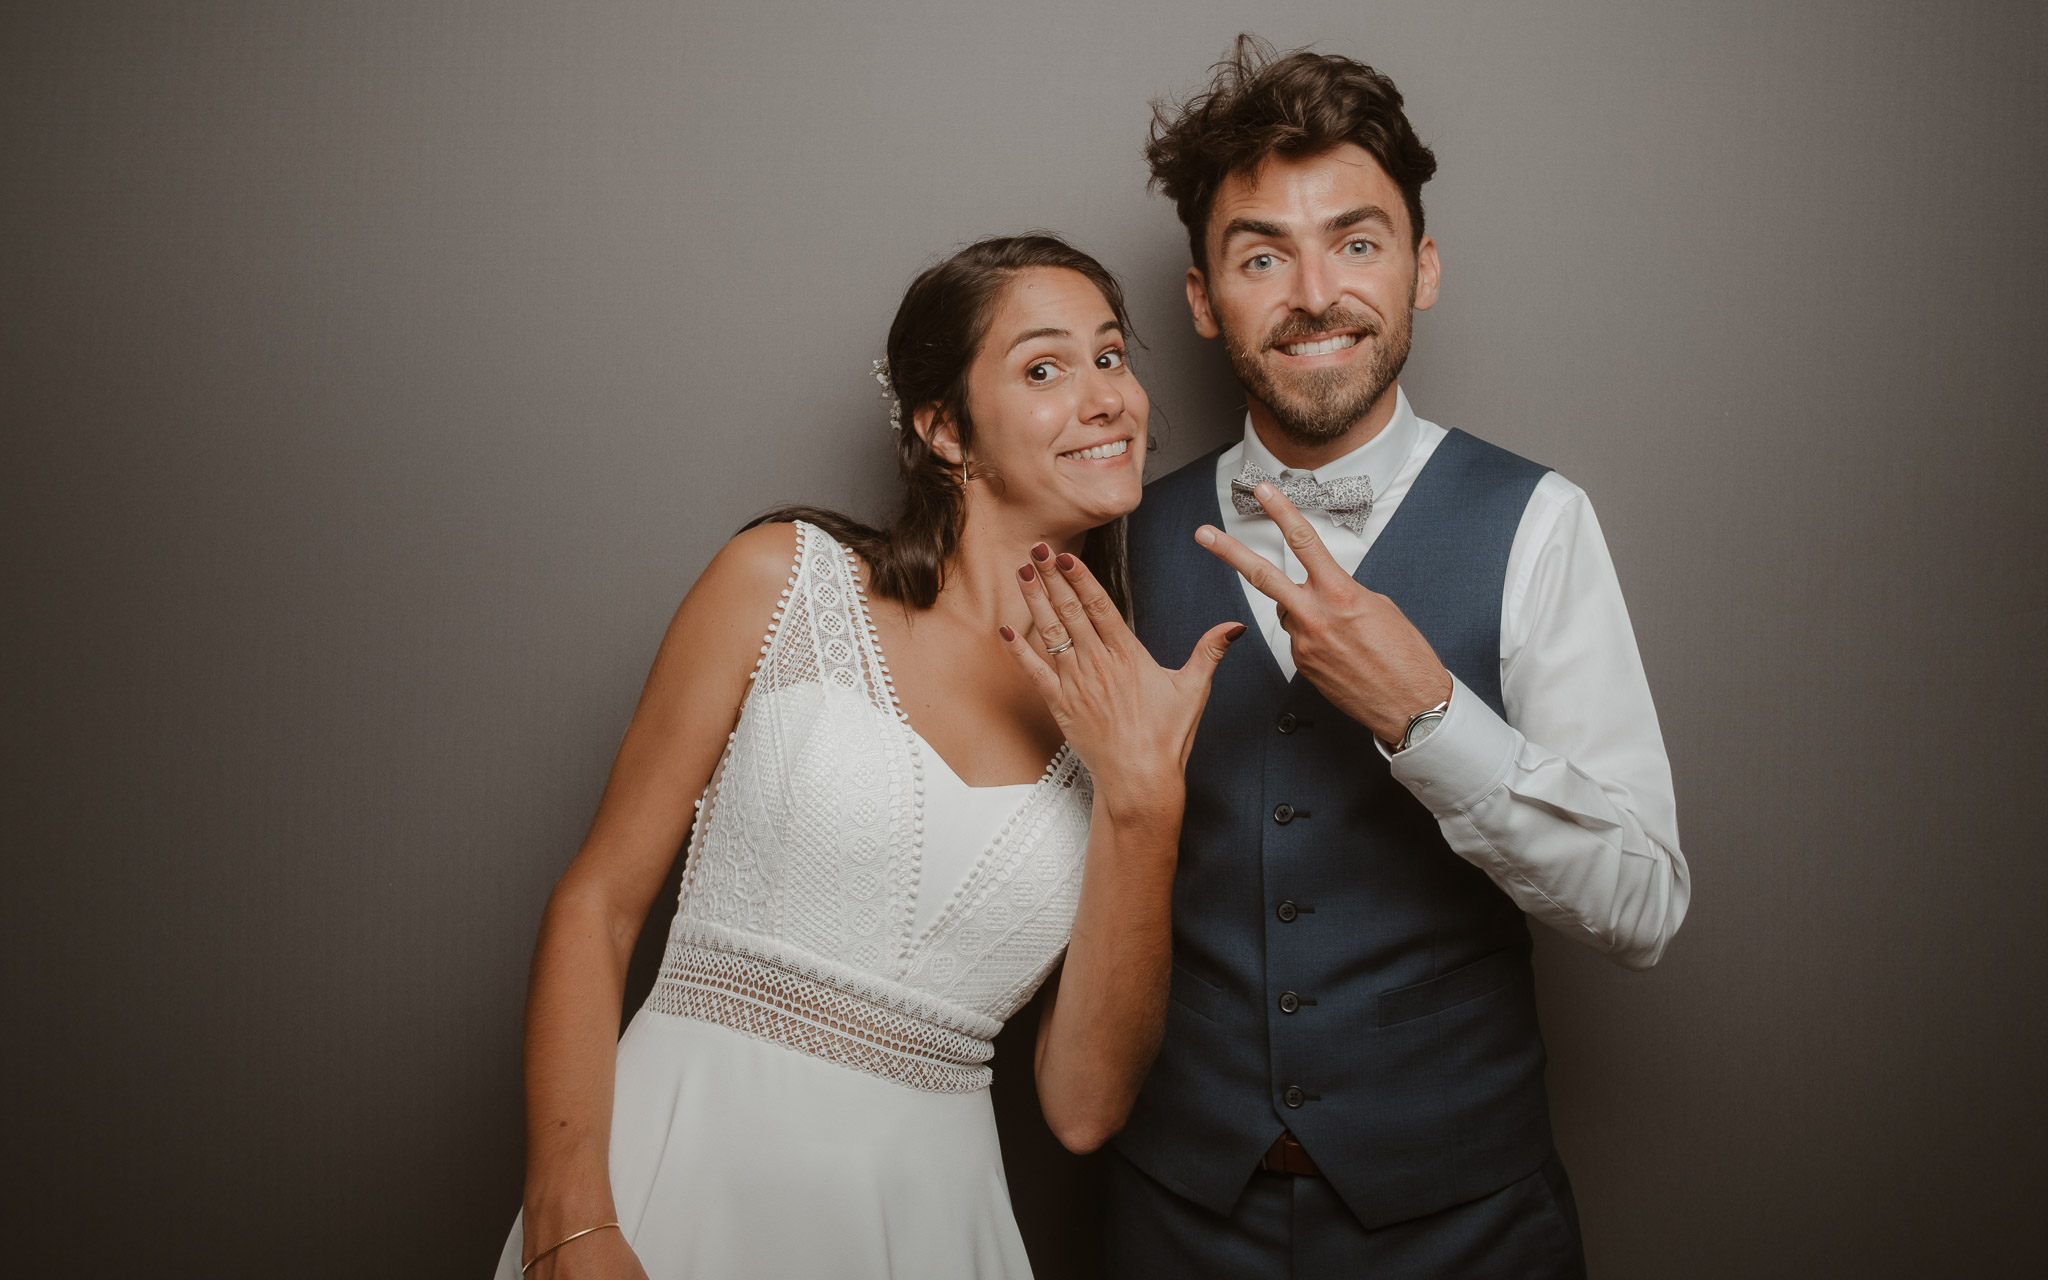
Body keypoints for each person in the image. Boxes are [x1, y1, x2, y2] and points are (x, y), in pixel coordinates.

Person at [492, 233, 1242, 1279]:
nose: (1106, 394)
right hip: (674, 1170)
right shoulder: (779, 582)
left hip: (924, 1226)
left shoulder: (1129, 718)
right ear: (943, 428)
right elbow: (597, 903)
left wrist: (1144, 801)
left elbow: (1082, 1107)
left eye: (1111, 356)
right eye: (1043, 367)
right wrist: (570, 1219)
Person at [1109, 38, 1692, 1277]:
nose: (1314, 292)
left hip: (1467, 1224)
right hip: (1171, 1214)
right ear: (1204, 297)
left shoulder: (1537, 520)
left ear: (1421, 268)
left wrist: (1429, 717)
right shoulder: (1117, 540)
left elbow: (1641, 902)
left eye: (1357, 241)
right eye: (1262, 253)